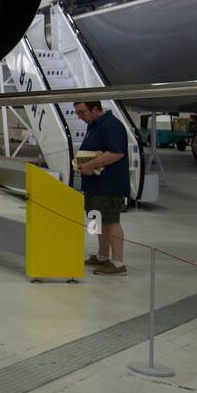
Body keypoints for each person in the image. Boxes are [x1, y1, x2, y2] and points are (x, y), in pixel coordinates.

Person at [73, 101, 130, 275]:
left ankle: (118, 263)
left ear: (96, 109)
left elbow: (117, 152)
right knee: (96, 220)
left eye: (82, 112)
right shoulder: (93, 125)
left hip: (108, 185)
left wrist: (91, 165)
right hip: (94, 185)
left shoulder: (111, 125)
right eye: (77, 113)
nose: (80, 117)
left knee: (110, 220)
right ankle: (103, 255)